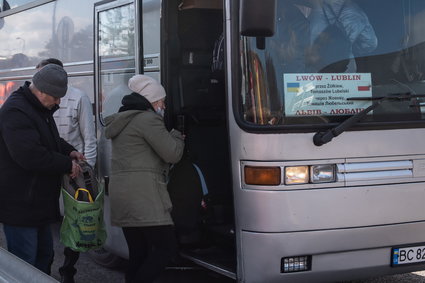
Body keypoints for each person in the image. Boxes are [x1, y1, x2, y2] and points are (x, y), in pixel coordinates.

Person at [0, 64, 83, 275]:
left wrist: (69, 151)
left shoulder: (38, 108)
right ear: (42, 91)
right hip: (21, 205)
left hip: (38, 204)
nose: (58, 102)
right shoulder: (16, 111)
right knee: (25, 265)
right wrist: (66, 164)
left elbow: (49, 141)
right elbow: (30, 155)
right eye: (56, 97)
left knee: (45, 257)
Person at [104, 74, 185, 283]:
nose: (163, 105)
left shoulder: (124, 119)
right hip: (144, 197)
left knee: (138, 252)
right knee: (166, 248)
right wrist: (177, 135)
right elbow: (172, 154)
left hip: (123, 196)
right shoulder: (148, 120)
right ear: (151, 100)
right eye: (161, 101)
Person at [36, 58, 97, 283]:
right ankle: (45, 268)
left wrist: (87, 172)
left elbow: (89, 139)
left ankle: (68, 270)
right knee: (49, 219)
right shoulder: (36, 101)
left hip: (73, 172)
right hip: (47, 168)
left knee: (75, 221)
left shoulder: (78, 97)